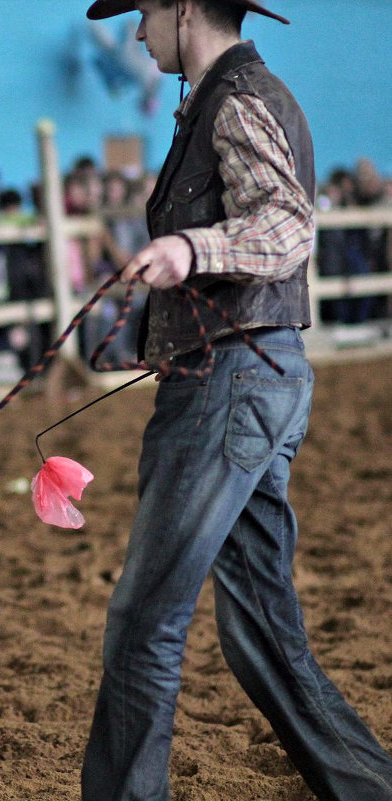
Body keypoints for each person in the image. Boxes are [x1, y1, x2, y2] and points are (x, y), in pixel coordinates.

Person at [80, 2, 392, 800]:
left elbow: (287, 225)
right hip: (256, 375)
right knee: (258, 625)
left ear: (184, 9)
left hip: (227, 382)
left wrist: (189, 246)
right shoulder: (228, 97)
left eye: (143, 14)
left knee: (144, 620)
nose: (137, 33)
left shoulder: (236, 98)